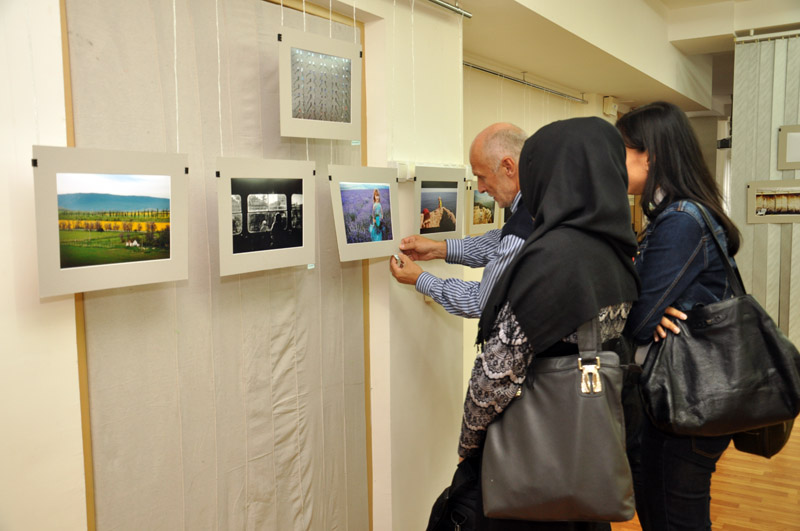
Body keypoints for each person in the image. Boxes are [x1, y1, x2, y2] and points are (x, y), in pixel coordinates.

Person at [449, 117, 639, 530]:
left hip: (533, 459)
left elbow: (496, 372)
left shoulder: (552, 257)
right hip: (584, 454)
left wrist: (469, 442)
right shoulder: (617, 247)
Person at [616, 101, 742, 531]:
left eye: (622, 153)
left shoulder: (680, 220)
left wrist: (644, 306)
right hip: (690, 397)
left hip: (688, 399)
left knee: (673, 518)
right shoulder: (682, 212)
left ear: (647, 155)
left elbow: (638, 321)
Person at [389, 123, 533, 318]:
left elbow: (483, 302)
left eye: (482, 177)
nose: (480, 188)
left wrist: (419, 278)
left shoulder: (524, 226)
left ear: (508, 167)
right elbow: (498, 243)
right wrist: (438, 249)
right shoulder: (542, 206)